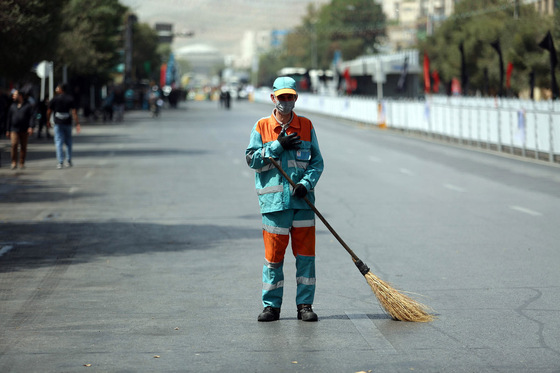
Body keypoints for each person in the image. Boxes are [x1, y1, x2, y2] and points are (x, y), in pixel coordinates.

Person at [245, 77, 324, 322]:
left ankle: (305, 306)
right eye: (282, 97)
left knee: (306, 258)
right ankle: (271, 307)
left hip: (302, 204)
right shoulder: (261, 127)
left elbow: (317, 162)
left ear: (295, 98)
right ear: (273, 98)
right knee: (273, 259)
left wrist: (306, 184)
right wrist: (277, 146)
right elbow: (252, 160)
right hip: (274, 206)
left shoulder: (306, 125)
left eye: (290, 97)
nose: (286, 101)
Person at [47, 83, 80, 169]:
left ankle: (60, 161)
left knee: (59, 142)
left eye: (57, 88)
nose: (56, 89)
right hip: (67, 122)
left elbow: (49, 111)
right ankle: (68, 160)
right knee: (68, 142)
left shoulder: (55, 99)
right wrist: (77, 123)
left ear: (61, 89)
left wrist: (47, 121)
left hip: (58, 122)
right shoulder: (70, 99)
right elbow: (74, 112)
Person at [6, 89, 35, 169]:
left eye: (15, 95)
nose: (13, 96)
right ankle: (14, 162)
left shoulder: (28, 106)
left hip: (24, 129)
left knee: (23, 146)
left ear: (20, 96)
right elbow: (9, 118)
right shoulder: (12, 106)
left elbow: (31, 117)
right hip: (14, 129)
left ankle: (21, 162)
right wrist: (7, 129)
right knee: (14, 145)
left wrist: (31, 127)